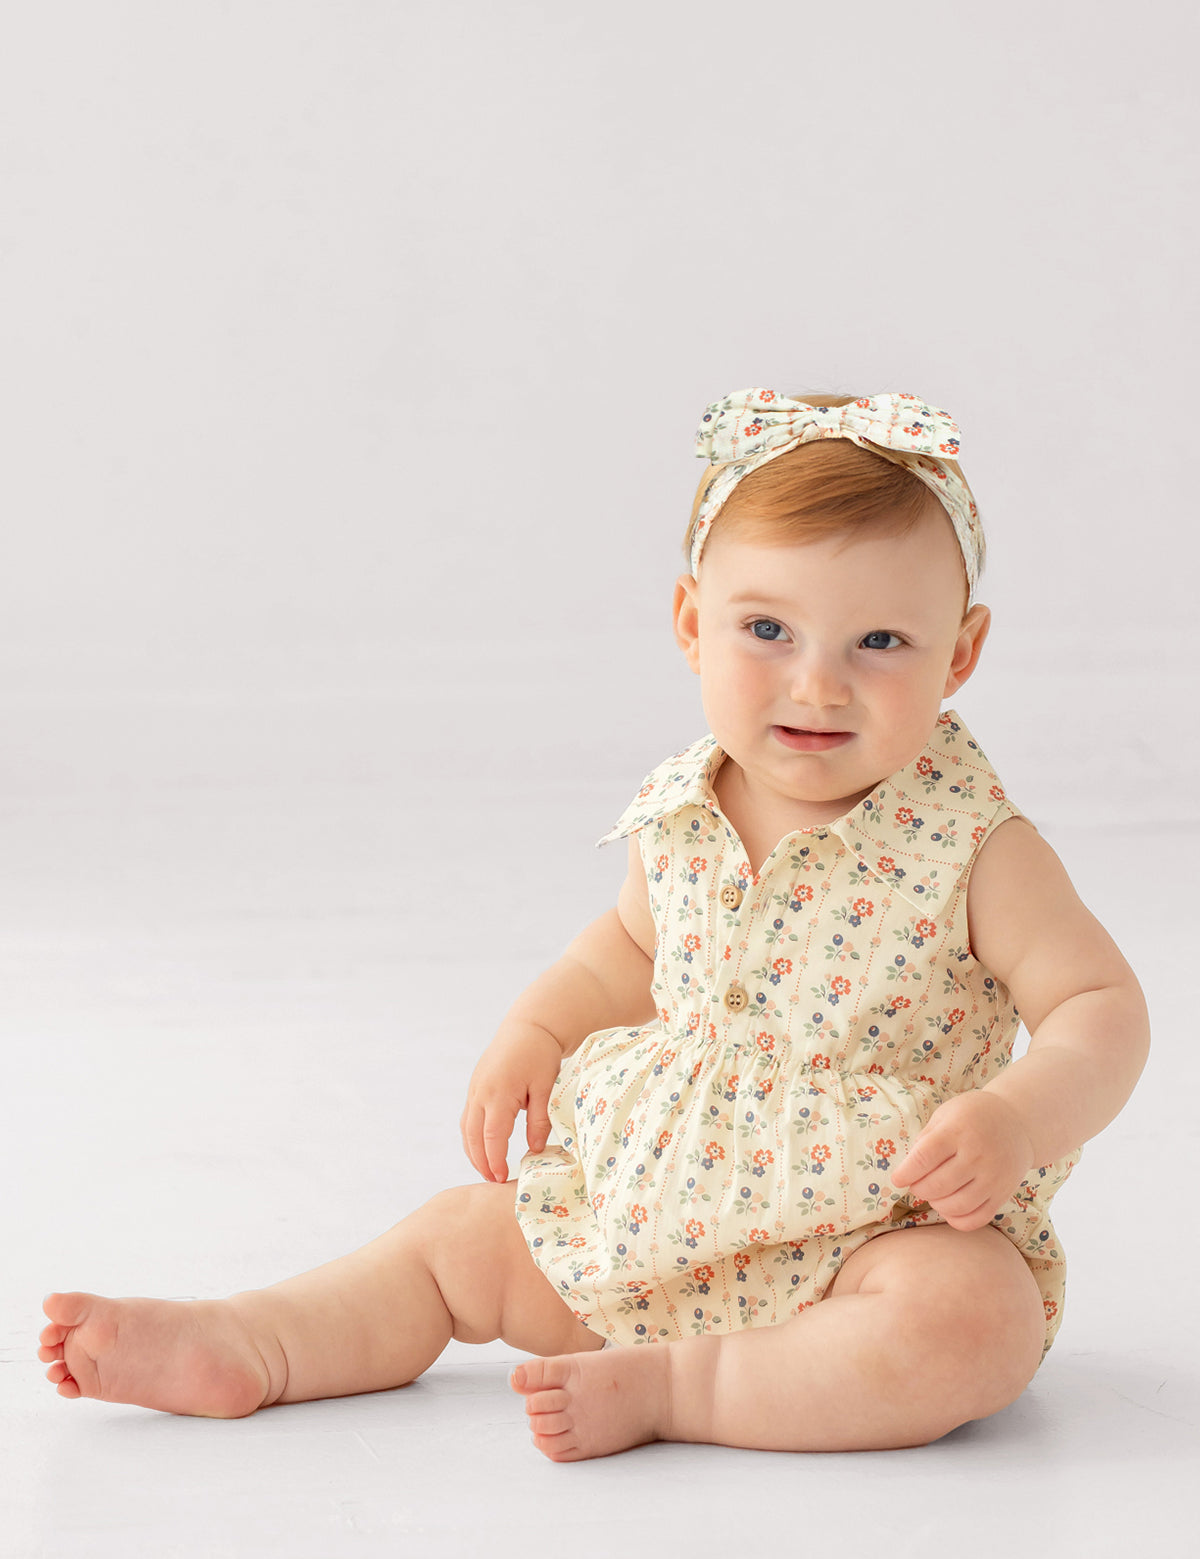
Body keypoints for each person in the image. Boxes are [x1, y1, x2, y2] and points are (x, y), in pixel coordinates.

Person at [39, 388, 1149, 1460]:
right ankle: (256, 1339)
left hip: (881, 1229)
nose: (819, 683)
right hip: (660, 1206)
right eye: (768, 627)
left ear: (959, 652)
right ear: (689, 622)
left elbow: (1100, 1009)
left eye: (881, 643)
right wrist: (537, 1027)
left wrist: (1015, 1115)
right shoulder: (683, 811)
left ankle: (685, 1385)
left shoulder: (974, 845)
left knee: (971, 1319)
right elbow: (626, 950)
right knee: (460, 1238)